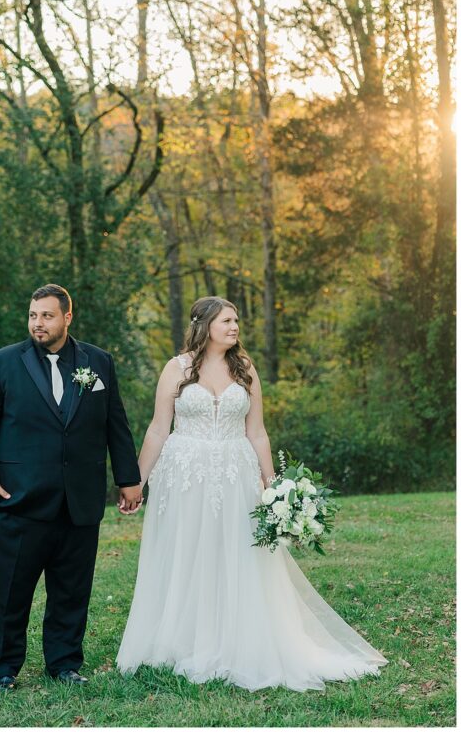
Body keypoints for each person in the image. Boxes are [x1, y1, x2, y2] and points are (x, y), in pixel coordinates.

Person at [116, 296, 389, 692]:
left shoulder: (244, 368)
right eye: (227, 320)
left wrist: (274, 485)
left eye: (236, 321)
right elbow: (158, 429)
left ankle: (234, 636)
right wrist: (136, 482)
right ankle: (181, 638)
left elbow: (256, 431)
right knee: (186, 551)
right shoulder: (176, 368)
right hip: (186, 476)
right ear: (205, 324)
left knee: (237, 553)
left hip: (234, 473)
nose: (235, 327)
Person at [0, 283, 142, 691]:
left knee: (71, 588)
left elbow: (114, 424)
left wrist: (128, 478)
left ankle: (64, 662)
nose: (37, 323)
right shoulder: (3, 363)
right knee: (10, 591)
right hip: (19, 499)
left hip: (79, 499)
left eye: (46, 315)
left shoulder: (98, 362)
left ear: (67, 317)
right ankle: (3, 668)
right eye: (33, 315)